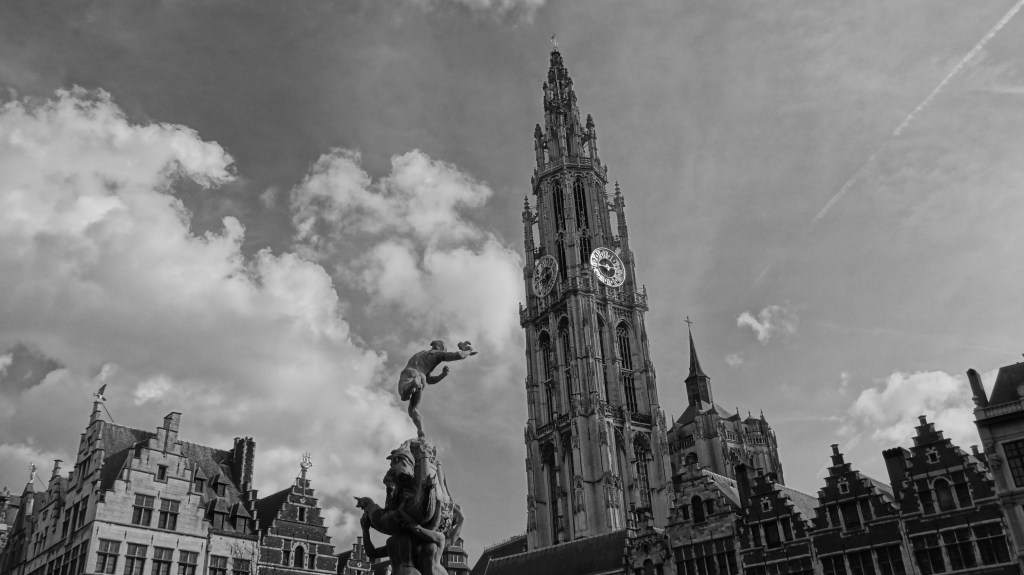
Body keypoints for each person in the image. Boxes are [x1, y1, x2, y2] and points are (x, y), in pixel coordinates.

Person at [397, 340, 477, 438]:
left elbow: (430, 379)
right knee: (413, 409)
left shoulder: (419, 354)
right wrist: (468, 351)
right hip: (422, 378)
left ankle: (413, 383)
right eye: (444, 350)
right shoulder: (437, 354)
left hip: (411, 373)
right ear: (439, 348)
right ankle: (421, 431)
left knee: (404, 396)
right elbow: (459, 355)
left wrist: (442, 375)